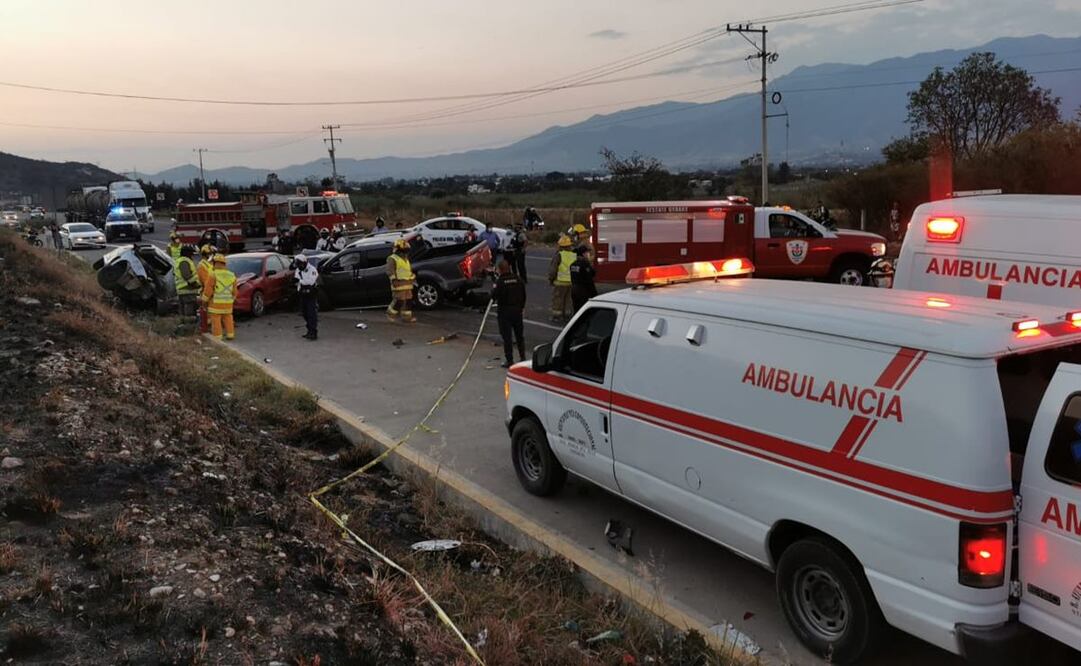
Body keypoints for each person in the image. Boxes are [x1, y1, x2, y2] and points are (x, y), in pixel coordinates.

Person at [492, 260, 526, 368]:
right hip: (517, 311)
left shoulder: (500, 281)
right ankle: (523, 357)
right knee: (519, 336)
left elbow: (493, 296)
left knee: (507, 337)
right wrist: (521, 307)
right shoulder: (518, 279)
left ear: (500, 270)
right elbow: (524, 295)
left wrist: (494, 286)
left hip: (505, 312)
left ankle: (510, 360)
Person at [202, 254, 237, 341]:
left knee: (216, 320)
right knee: (228, 318)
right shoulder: (232, 275)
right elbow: (235, 291)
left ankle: (217, 337)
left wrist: (204, 300)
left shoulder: (213, 275)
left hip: (216, 304)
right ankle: (230, 335)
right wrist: (232, 299)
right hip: (228, 303)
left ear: (214, 263)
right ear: (224, 264)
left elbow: (208, 290)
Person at [386, 238, 416, 323]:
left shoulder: (406, 259)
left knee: (408, 301)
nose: (406, 252)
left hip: (408, 284)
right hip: (398, 284)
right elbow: (390, 271)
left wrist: (413, 277)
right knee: (399, 301)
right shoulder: (392, 258)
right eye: (404, 250)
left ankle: (407, 318)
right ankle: (390, 314)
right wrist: (394, 280)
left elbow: (408, 270)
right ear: (399, 250)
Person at [548, 235, 576, 322]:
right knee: (568, 300)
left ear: (561, 246)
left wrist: (551, 279)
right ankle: (567, 315)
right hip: (571, 282)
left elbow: (553, 270)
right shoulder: (573, 255)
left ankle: (557, 316)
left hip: (560, 282)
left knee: (558, 300)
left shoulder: (559, 255)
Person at [294, 254, 320, 340]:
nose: (299, 266)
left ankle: (313, 332)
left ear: (304, 263)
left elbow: (310, 282)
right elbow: (296, 280)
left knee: (311, 313)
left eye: (300, 264)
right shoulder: (298, 270)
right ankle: (309, 330)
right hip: (302, 293)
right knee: (304, 313)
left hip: (311, 294)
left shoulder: (312, 270)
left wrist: (300, 281)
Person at [173, 244, 201, 317]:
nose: (193, 256)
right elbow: (187, 276)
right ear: (187, 253)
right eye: (191, 253)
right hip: (187, 290)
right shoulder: (184, 261)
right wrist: (196, 285)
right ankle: (188, 325)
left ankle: (184, 324)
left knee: (184, 311)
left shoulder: (180, 261)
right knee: (189, 310)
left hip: (183, 290)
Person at [569, 245, 597, 313]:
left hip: (574, 290)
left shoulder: (573, 264)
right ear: (583, 253)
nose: (588, 254)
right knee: (584, 311)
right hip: (583, 291)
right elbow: (589, 279)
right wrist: (594, 293)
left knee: (576, 310)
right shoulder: (585, 264)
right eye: (586, 253)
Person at [196, 244, 214, 333]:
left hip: (211, 291)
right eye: (210, 253)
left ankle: (211, 325)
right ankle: (208, 327)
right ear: (205, 254)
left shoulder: (209, 264)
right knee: (207, 311)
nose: (211, 255)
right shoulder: (202, 266)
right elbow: (206, 282)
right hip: (206, 292)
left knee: (211, 310)